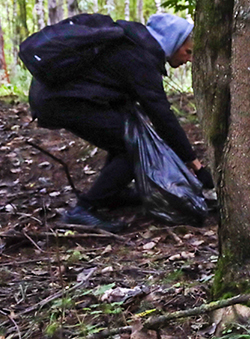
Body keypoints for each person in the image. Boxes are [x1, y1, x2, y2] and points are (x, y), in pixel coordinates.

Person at [28, 12, 213, 232]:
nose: (189, 59)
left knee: (125, 134)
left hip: (56, 96)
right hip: (63, 101)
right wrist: (195, 164)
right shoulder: (140, 59)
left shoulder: (135, 46)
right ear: (173, 43)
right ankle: (84, 210)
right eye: (188, 51)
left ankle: (111, 194)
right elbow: (162, 117)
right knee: (134, 146)